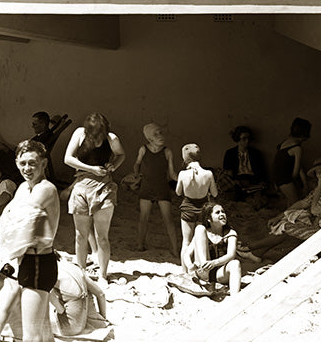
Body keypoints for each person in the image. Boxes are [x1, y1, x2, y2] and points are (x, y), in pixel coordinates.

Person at [0, 138, 65, 340]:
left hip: (38, 264)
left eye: (32, 163)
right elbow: (3, 222)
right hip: (30, 262)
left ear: (43, 163)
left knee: (31, 335)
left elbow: (18, 222)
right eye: (23, 163)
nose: (27, 168)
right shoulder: (23, 188)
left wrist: (12, 225)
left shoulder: (46, 188)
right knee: (43, 331)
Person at [64, 113, 124, 281]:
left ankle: (103, 275)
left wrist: (114, 165)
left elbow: (121, 155)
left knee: (102, 237)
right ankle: (81, 274)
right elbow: (68, 158)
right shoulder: (80, 134)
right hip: (81, 187)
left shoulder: (111, 138)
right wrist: (91, 169)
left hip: (104, 188)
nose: (98, 139)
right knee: (80, 235)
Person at [134, 122, 179, 255]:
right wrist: (136, 174)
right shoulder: (143, 149)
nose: (160, 136)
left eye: (160, 132)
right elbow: (137, 164)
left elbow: (171, 174)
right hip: (146, 187)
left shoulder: (167, 151)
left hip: (162, 188)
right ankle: (139, 245)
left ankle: (175, 249)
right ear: (149, 138)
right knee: (144, 218)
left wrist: (184, 179)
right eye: (156, 134)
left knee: (168, 219)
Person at [176, 143, 218, 275]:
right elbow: (215, 194)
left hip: (188, 208)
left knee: (186, 241)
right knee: (201, 241)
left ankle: (184, 271)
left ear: (185, 158)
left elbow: (178, 192)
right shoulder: (208, 174)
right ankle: (201, 270)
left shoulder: (183, 174)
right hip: (203, 209)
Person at [187, 202, 241, 296]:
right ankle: (204, 267)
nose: (222, 214)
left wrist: (214, 263)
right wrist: (190, 266)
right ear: (208, 219)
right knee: (199, 228)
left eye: (223, 212)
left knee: (235, 263)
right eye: (217, 212)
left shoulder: (230, 233)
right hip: (204, 271)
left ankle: (235, 298)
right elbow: (187, 254)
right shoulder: (202, 233)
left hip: (220, 272)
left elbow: (231, 255)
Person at [221, 125, 270, 204]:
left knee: (260, 199)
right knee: (234, 198)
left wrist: (261, 182)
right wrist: (237, 182)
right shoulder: (230, 153)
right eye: (244, 139)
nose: (247, 141)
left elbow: (262, 172)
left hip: (253, 181)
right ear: (238, 139)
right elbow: (229, 173)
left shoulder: (256, 153)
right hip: (238, 182)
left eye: (248, 138)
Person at [271, 117, 312, 205]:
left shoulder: (285, 142)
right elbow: (295, 172)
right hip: (284, 178)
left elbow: (297, 165)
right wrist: (297, 184)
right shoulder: (297, 148)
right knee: (296, 205)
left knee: (291, 203)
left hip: (276, 176)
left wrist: (304, 183)